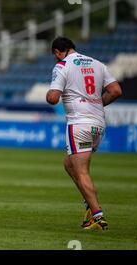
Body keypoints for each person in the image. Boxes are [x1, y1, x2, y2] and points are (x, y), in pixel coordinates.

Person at [46, 37, 122, 230]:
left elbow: (53, 98)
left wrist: (49, 94)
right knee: (69, 164)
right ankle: (91, 206)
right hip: (98, 124)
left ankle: (97, 215)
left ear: (57, 52)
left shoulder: (62, 65)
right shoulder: (97, 64)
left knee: (81, 171)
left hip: (79, 124)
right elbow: (115, 91)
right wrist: (96, 104)